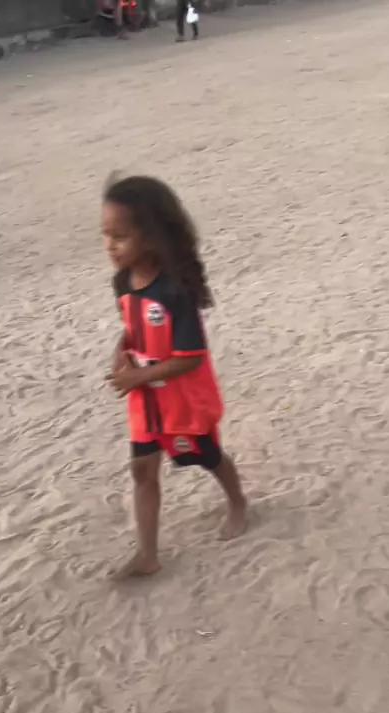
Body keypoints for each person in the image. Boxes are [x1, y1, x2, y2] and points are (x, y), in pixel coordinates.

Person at [103, 175, 247, 577]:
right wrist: (121, 353)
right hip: (145, 401)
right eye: (106, 235)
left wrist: (138, 377)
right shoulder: (122, 282)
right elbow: (131, 328)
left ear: (150, 238)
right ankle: (147, 555)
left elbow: (190, 358)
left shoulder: (174, 292)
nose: (110, 246)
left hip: (180, 398)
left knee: (207, 455)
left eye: (120, 237)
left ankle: (238, 501)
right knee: (142, 470)